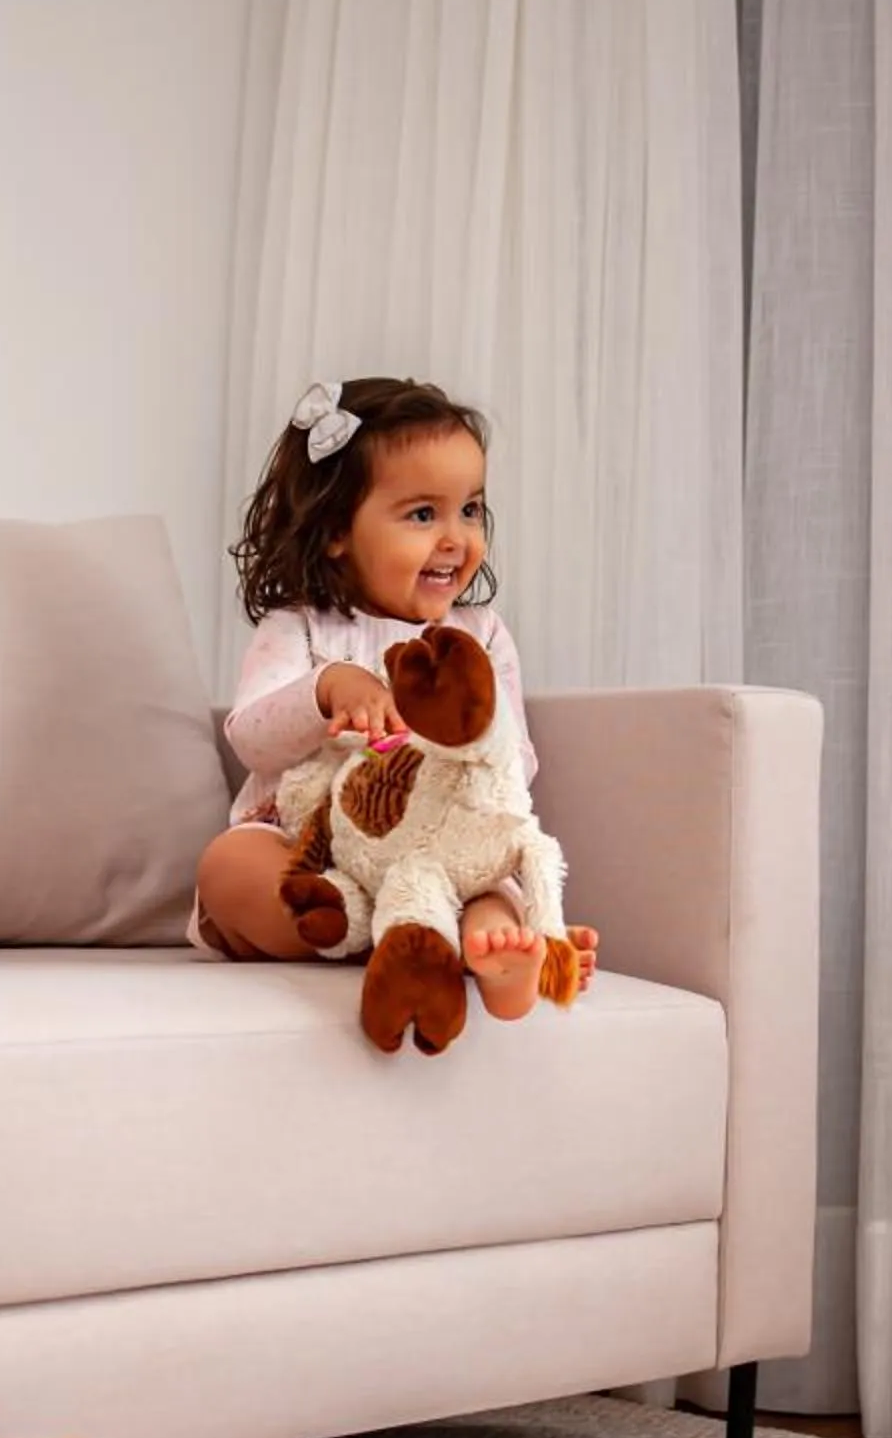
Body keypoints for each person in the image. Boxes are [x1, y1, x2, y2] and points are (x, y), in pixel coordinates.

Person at [194, 377, 599, 1022]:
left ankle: (498, 955)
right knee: (228, 864)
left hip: (438, 853)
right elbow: (250, 737)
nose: (455, 537)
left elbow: (516, 763)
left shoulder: (479, 635)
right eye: (422, 514)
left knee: (494, 892)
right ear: (334, 531)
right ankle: (373, 931)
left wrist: (458, 733)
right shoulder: (299, 628)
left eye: (470, 509)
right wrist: (327, 690)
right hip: (315, 856)